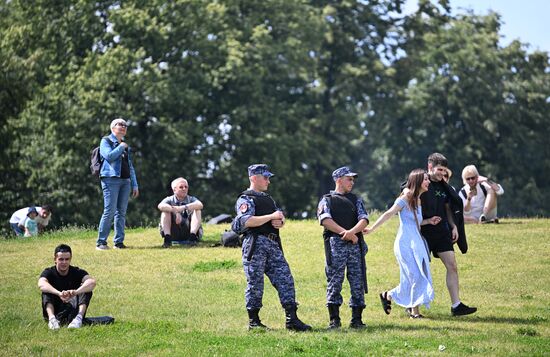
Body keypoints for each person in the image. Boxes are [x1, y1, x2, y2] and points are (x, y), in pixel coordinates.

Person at [231, 164, 311, 331]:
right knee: (255, 282)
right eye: (265, 177)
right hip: (255, 244)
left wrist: (280, 221)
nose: (268, 180)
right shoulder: (246, 199)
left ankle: (292, 319)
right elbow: (246, 221)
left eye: (269, 177)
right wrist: (271, 217)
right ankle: (254, 322)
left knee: (285, 279)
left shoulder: (268, 199)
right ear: (253, 178)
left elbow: (279, 217)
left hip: (273, 244)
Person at [365, 169, 439, 319]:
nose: (428, 182)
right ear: (418, 181)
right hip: (405, 242)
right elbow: (389, 213)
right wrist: (372, 228)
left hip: (416, 241)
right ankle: (414, 313)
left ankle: (388, 295)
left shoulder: (418, 200)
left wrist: (428, 221)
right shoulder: (406, 197)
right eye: (425, 179)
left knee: (413, 277)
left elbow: (415, 222)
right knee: (415, 276)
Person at [421, 153, 477, 316]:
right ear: (430, 166)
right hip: (421, 232)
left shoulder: (443, 186)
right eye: (439, 169)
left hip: (441, 232)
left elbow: (448, 208)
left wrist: (453, 226)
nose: (442, 174)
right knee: (420, 270)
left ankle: (456, 306)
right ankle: (407, 305)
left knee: (452, 265)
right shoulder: (420, 181)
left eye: (444, 170)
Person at [317, 166, 369, 329]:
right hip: (335, 245)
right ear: (338, 180)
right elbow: (325, 220)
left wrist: (352, 233)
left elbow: (364, 219)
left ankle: (357, 320)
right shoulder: (327, 199)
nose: (352, 182)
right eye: (349, 179)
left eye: (353, 180)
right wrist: (345, 233)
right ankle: (334, 320)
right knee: (334, 280)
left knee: (357, 281)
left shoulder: (356, 199)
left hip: (355, 245)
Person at [96, 118, 139, 250]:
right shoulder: (106, 141)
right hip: (110, 179)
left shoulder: (125, 145)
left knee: (121, 212)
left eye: (125, 125)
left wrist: (135, 184)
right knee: (109, 211)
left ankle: (118, 242)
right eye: (119, 124)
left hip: (125, 181)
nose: (123, 126)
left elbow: (130, 166)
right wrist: (121, 147)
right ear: (112, 128)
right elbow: (109, 156)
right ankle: (101, 242)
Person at [38, 244, 97, 330]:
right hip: (56, 311)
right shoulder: (49, 272)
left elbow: (92, 282)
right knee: (46, 290)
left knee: (86, 289)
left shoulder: (77, 272)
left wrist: (75, 292)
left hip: (73, 311)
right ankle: (52, 320)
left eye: (67, 259)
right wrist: (59, 293)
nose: (64, 262)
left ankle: (78, 319)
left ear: (70, 259)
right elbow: (41, 284)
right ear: (55, 259)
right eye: (61, 259)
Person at [157, 177, 204, 248]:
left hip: (188, 231)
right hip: (173, 232)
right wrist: (175, 211)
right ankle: (167, 239)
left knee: (197, 210)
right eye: (181, 187)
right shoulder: (169, 199)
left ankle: (192, 238)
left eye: (186, 187)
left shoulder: (191, 199)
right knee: (165, 211)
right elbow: (160, 206)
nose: (184, 189)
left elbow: (200, 205)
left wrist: (183, 207)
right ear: (174, 190)